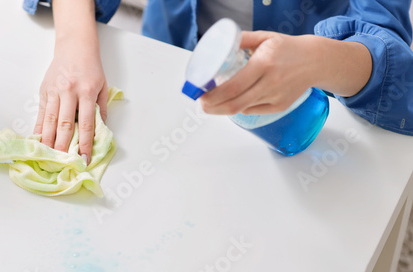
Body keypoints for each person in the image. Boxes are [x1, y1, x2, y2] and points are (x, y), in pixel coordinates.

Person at [23, 0, 413, 164]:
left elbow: (399, 77)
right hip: (171, 60)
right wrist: (73, 42)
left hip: (313, 98)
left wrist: (317, 59)